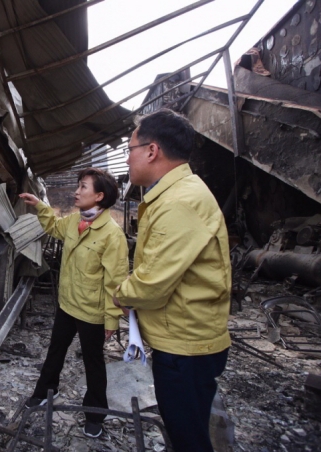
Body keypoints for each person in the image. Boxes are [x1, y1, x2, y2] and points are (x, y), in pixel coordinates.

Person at [112, 109, 231, 452]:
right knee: (188, 426)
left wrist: (121, 295)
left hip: (186, 346)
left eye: (130, 150)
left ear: (152, 151)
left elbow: (152, 282)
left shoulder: (180, 201)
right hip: (184, 336)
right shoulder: (174, 194)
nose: (129, 159)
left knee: (188, 436)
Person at [19, 167, 129, 439]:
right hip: (67, 305)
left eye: (83, 187)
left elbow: (115, 281)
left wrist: (111, 319)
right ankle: (46, 391)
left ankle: (95, 414)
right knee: (56, 349)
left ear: (99, 196)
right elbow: (54, 226)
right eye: (78, 186)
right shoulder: (73, 221)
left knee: (93, 363)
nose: (76, 192)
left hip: (92, 312)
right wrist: (40, 206)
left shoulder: (112, 235)